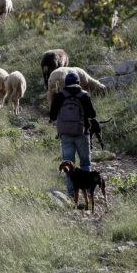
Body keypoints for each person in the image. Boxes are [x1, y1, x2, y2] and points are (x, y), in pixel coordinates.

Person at [49, 71, 97, 202]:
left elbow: (52, 116)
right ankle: (88, 191)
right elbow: (93, 114)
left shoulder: (60, 96)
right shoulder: (84, 95)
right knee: (85, 163)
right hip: (82, 133)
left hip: (66, 135)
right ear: (78, 82)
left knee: (68, 164)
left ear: (66, 83)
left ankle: (71, 193)